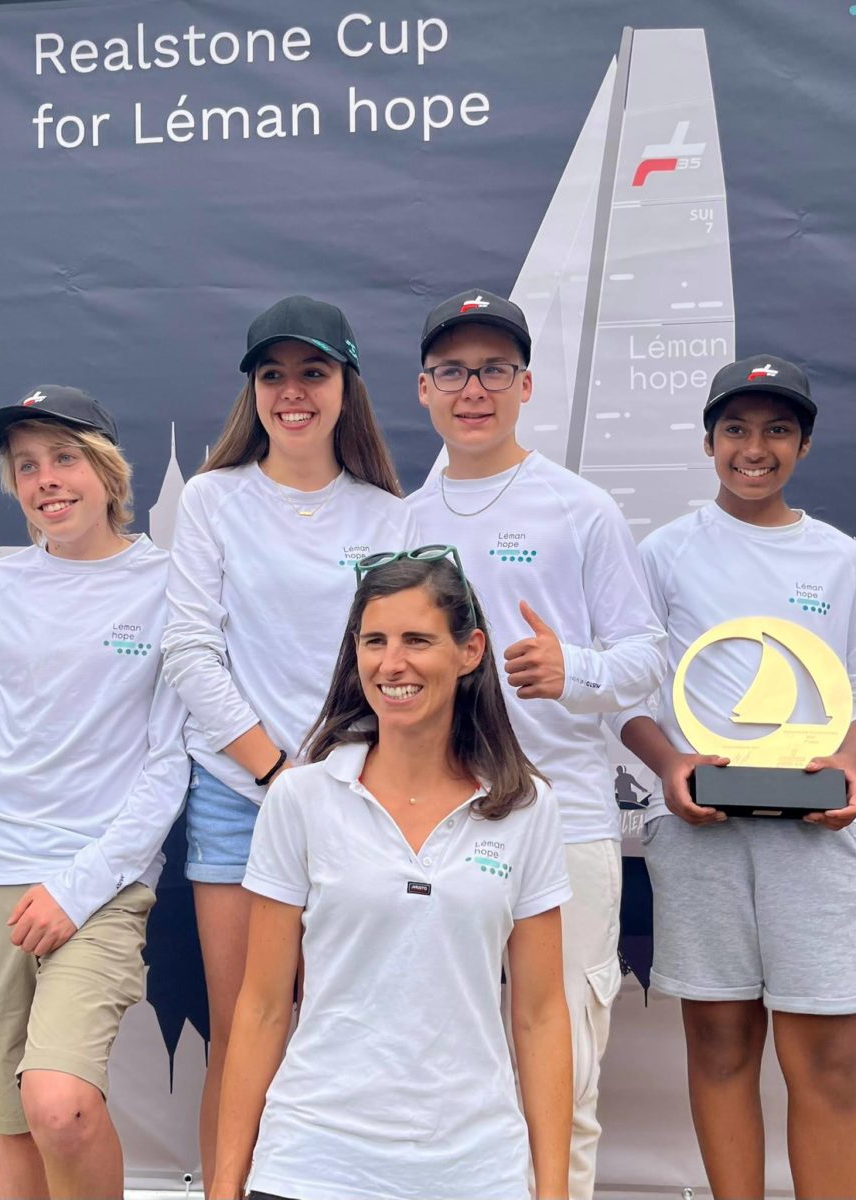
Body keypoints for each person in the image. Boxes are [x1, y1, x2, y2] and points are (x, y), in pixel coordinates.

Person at [210, 547, 573, 1200]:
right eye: (374, 641)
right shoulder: (301, 799)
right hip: (311, 1166)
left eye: (417, 640)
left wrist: (553, 1192)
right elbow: (262, 1008)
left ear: (470, 651)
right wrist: (225, 1186)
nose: (391, 663)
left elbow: (542, 1016)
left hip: (475, 1173)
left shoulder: (527, 807)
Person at [407, 289, 666, 1198]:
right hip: (433, 824)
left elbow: (647, 657)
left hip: (564, 820)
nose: (472, 390)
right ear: (423, 389)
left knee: (565, 1077)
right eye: (452, 372)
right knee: (445, 1068)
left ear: (525, 385)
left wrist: (573, 669)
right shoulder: (402, 521)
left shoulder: (580, 508)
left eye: (493, 370)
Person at [161, 295, 419, 1184]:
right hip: (240, 801)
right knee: (242, 1033)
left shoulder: (389, 517)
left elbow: (397, 667)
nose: (293, 392)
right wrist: (274, 772)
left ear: (347, 385)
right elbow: (190, 650)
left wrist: (337, 780)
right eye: (273, 375)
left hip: (359, 801)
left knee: (343, 1034)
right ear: (254, 392)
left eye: (313, 372)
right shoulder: (212, 498)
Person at [614, 355, 856, 1199]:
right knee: (720, 1045)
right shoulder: (663, 554)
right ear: (709, 442)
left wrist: (848, 765)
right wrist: (671, 765)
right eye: (736, 430)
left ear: (805, 444)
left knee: (828, 1059)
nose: (755, 449)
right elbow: (628, 693)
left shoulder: (842, 559)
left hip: (817, 836)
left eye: (777, 430)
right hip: (702, 834)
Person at [0, 386, 188, 1200]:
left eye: (64, 458)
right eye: (26, 466)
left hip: (100, 882)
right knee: (15, 1119)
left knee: (59, 1106)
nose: (46, 480)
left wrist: (76, 887)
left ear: (108, 472)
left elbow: (169, 764)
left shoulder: (170, 585)